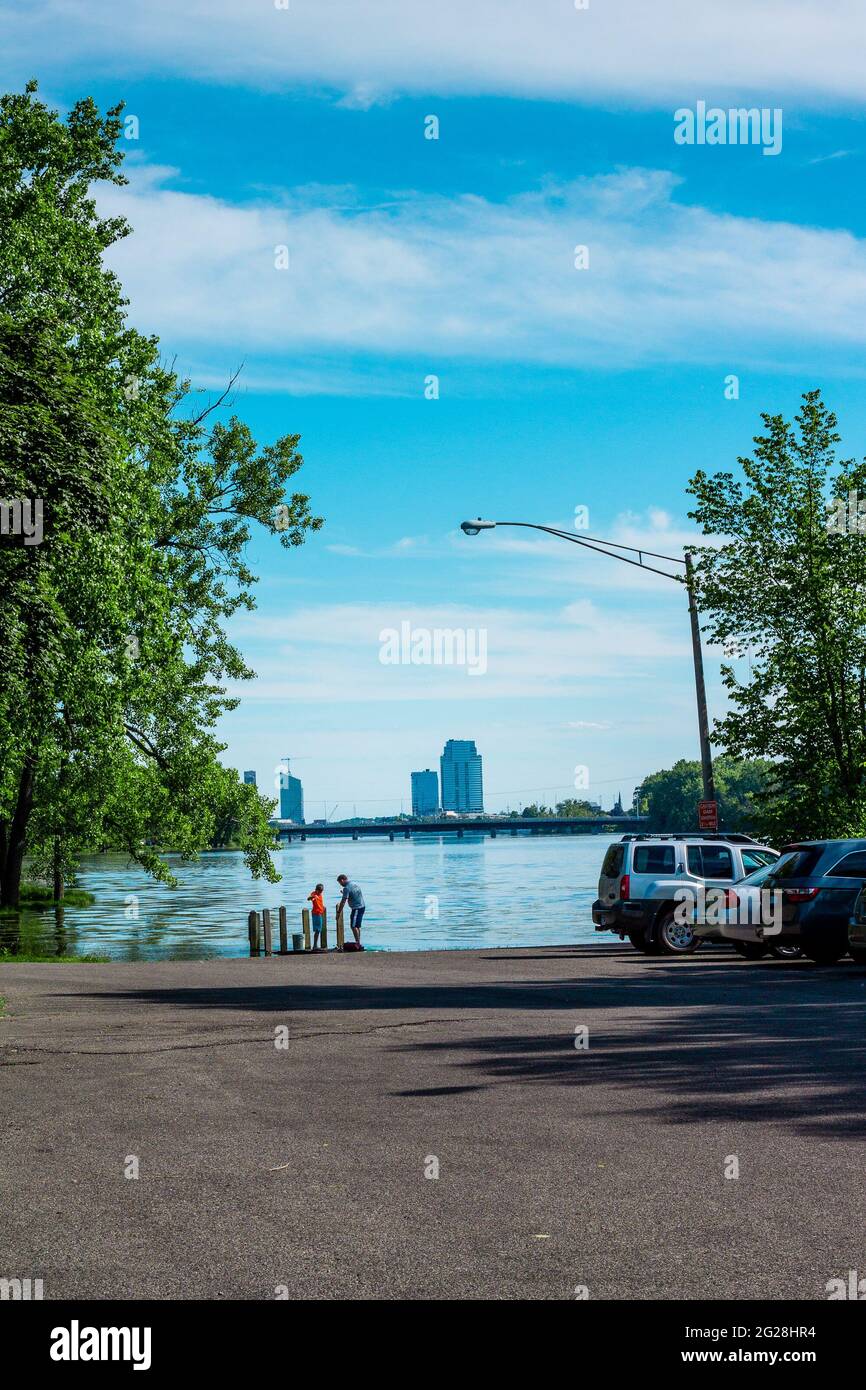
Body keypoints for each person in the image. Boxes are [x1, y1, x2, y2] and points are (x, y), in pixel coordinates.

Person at [337, 873, 365, 947]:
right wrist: (345, 894)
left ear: (342, 880)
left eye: (340, 883)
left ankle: (358, 943)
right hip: (362, 906)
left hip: (356, 908)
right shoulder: (354, 883)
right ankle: (358, 942)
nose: (340, 885)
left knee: (353, 926)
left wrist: (339, 912)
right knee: (357, 926)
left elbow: (343, 901)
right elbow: (354, 894)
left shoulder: (346, 888)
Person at [307, 883, 325, 950]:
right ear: (316, 890)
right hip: (316, 913)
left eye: (322, 891)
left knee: (318, 930)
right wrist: (311, 897)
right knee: (317, 930)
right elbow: (309, 898)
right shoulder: (314, 894)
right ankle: (315, 946)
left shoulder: (320, 894)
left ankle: (315, 945)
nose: (321, 892)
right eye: (320, 891)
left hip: (319, 913)